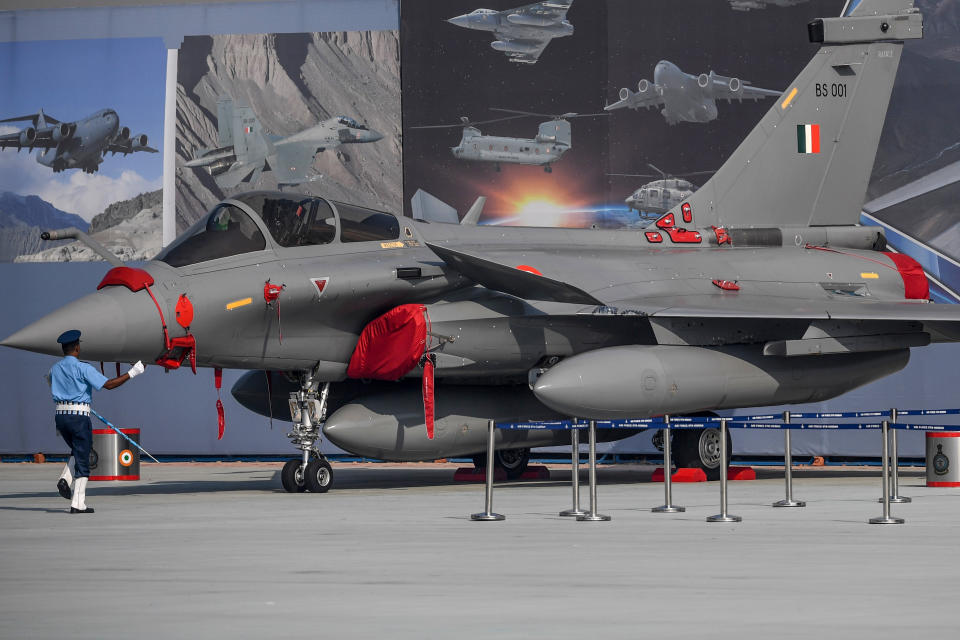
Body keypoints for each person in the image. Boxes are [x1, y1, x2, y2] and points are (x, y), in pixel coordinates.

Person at [49, 329, 145, 513]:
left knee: (78, 450)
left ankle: (65, 480)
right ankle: (78, 504)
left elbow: (49, 381)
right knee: (83, 457)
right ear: (77, 347)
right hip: (78, 417)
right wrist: (133, 372)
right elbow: (108, 385)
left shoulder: (55, 368)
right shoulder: (83, 368)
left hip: (60, 416)